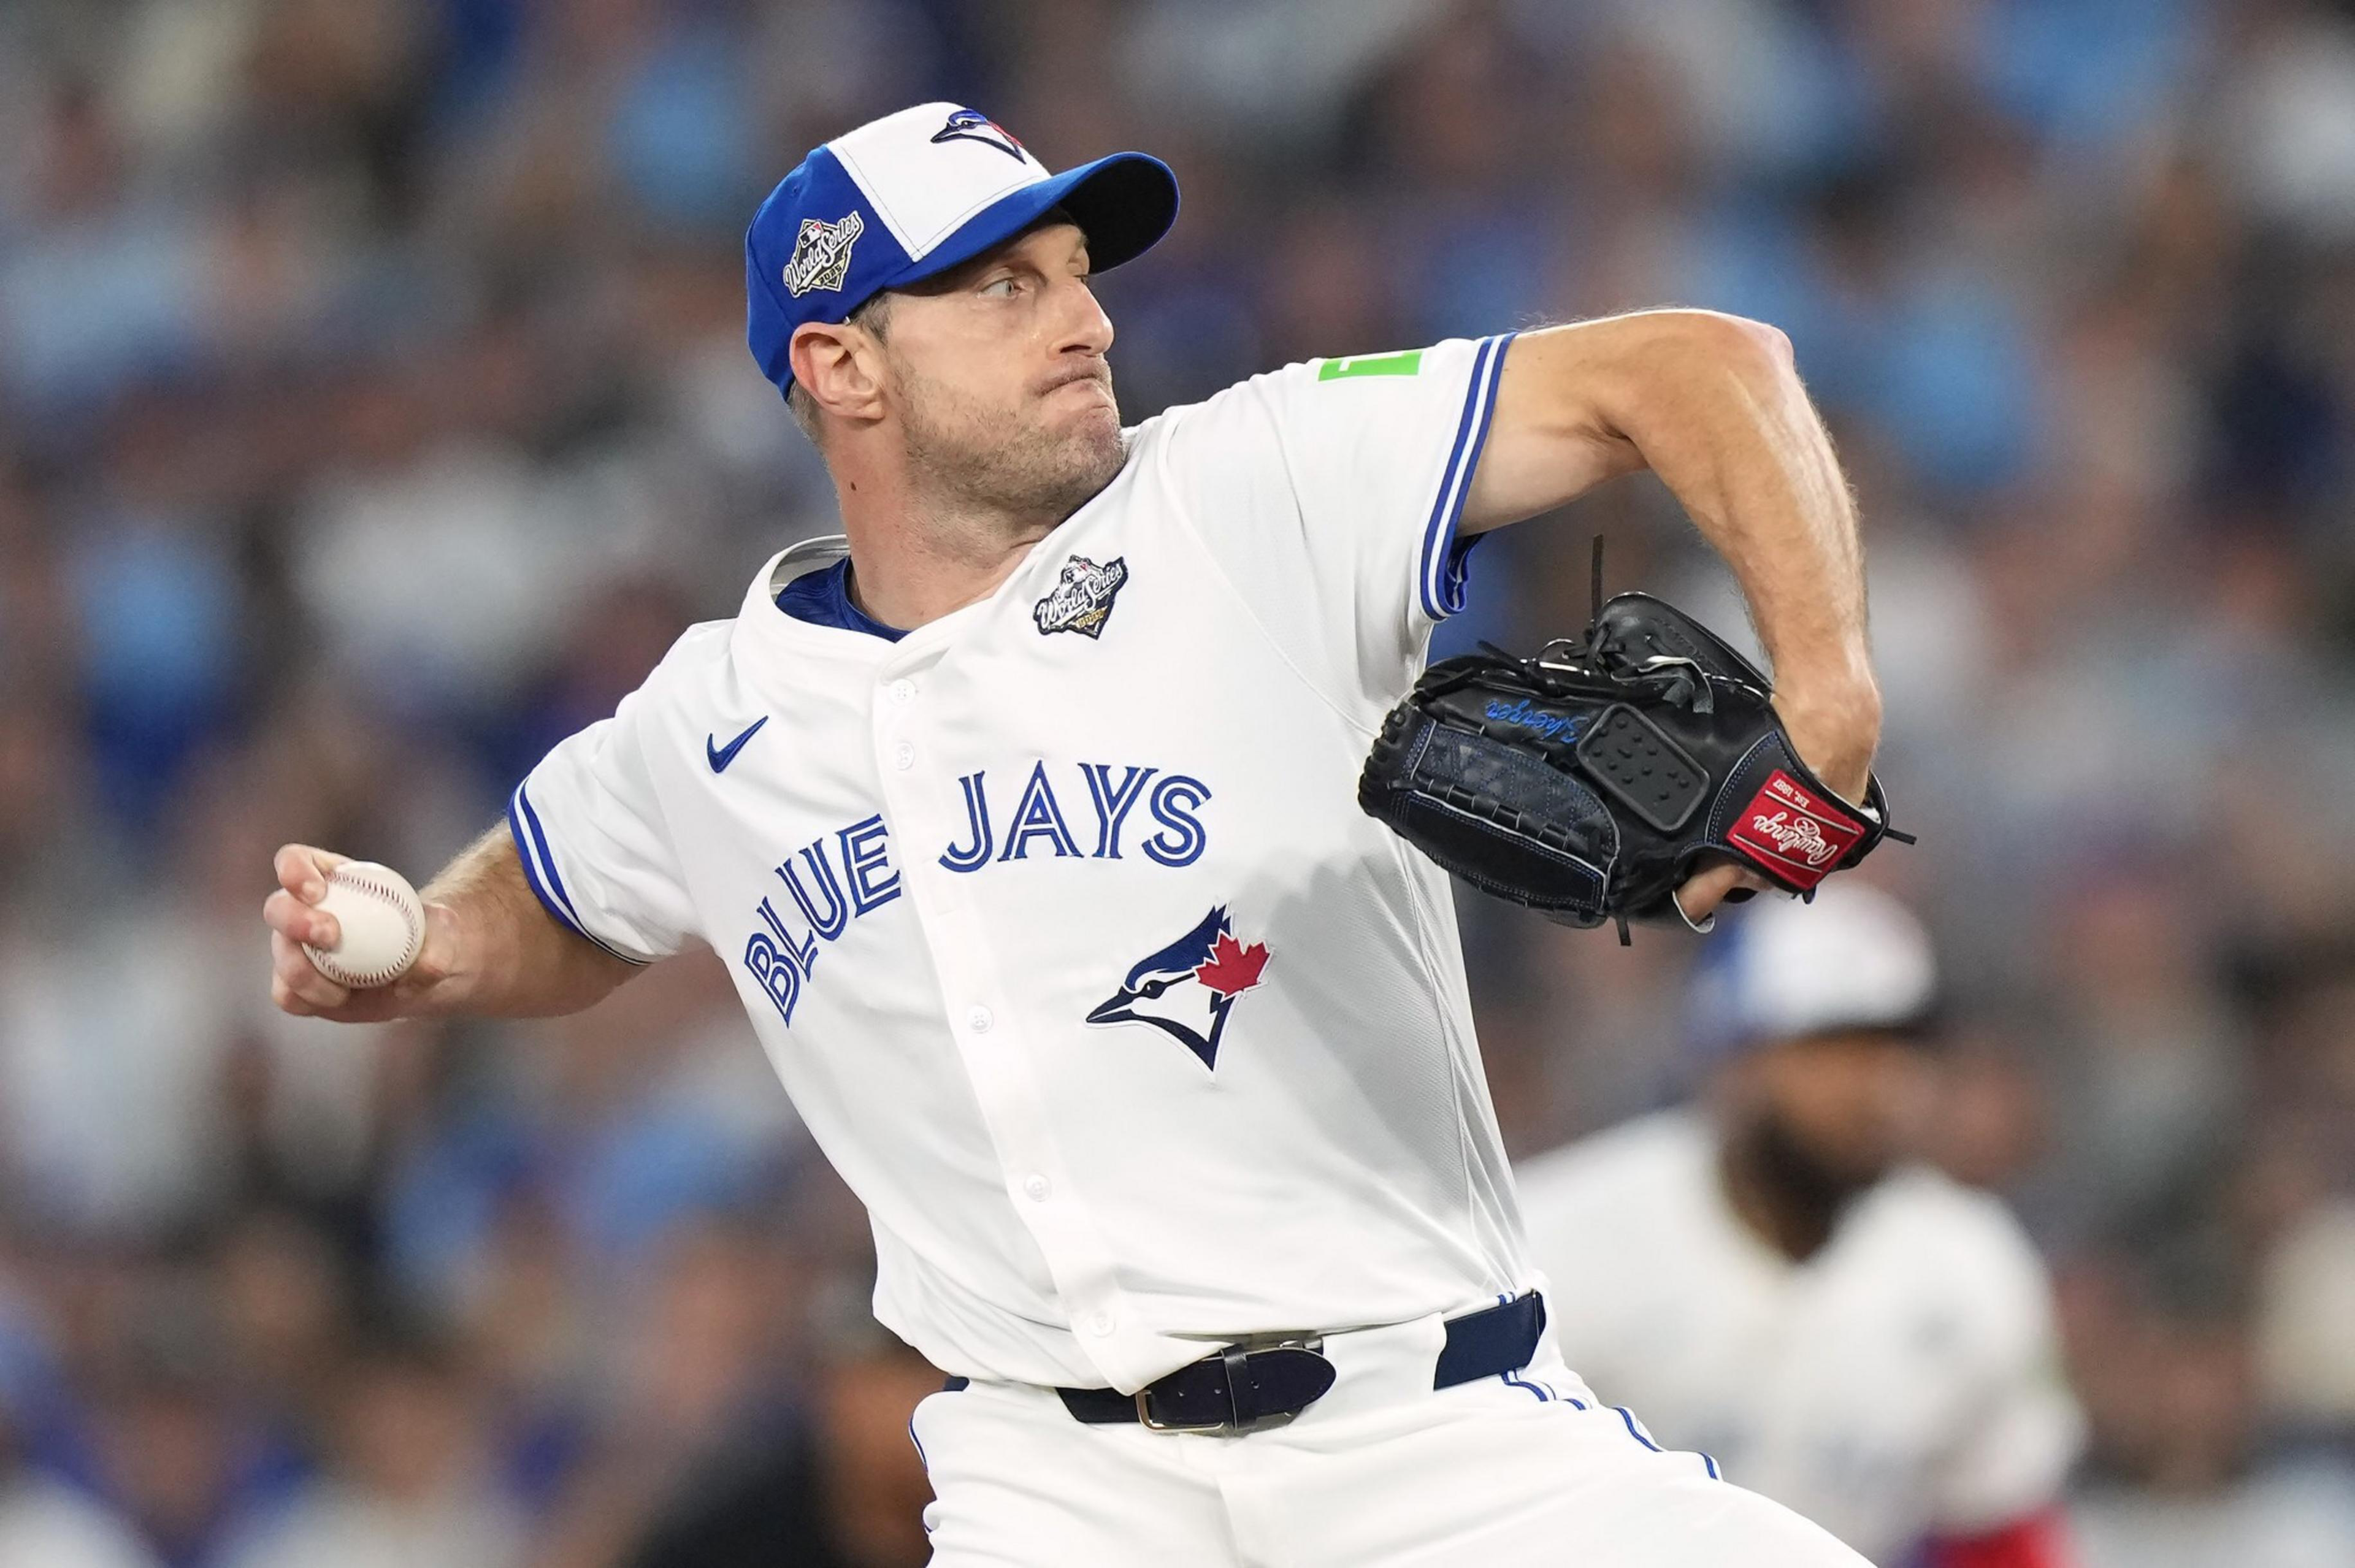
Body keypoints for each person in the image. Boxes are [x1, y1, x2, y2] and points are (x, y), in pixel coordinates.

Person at [264, 101, 1886, 1565]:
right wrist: (415, 938)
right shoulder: (714, 716)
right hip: (1059, 1489)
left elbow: (1700, 367)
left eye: (1076, 272)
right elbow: (556, 888)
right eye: (1006, 286)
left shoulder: (1248, 489)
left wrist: (1828, 695)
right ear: (842, 364)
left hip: (1439, 1443)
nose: (1089, 319)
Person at [1515, 883, 2084, 1567]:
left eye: (1899, 1047)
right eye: (1833, 1046)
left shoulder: (1969, 1261)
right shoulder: (1559, 1235)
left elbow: (1999, 1527)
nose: (1879, 1085)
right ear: (1735, 1062)